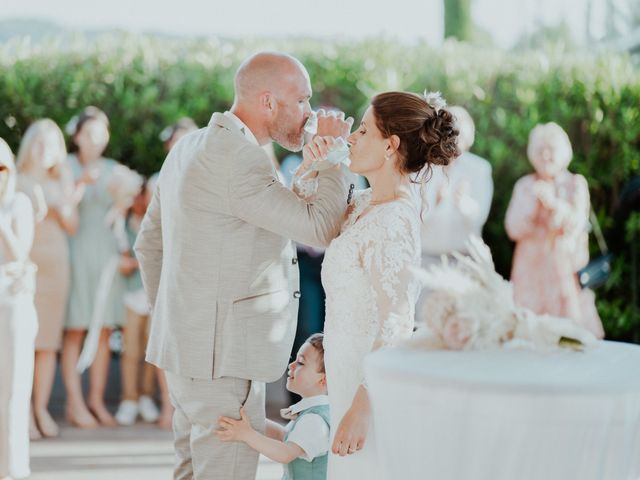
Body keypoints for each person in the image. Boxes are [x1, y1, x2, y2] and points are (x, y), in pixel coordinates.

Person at [134, 51, 352, 480]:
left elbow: (148, 246)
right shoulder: (238, 157)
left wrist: (176, 318)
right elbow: (321, 226)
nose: (310, 114)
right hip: (223, 360)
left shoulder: (190, 144)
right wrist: (336, 155)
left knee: (192, 471)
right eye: (303, 101)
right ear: (268, 102)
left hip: (185, 353)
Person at [297, 91, 459, 479]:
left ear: (391, 145)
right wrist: (315, 163)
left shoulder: (395, 220)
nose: (352, 137)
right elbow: (303, 217)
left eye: (364, 130)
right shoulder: (364, 204)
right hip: (343, 372)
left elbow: (397, 323)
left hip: (367, 390)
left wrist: (362, 407)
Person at [505, 122, 604, 339]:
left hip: (565, 275)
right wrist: (533, 207)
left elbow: (576, 224)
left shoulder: (576, 184)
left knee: (571, 340)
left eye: (551, 149)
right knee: (528, 338)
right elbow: (512, 228)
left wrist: (553, 204)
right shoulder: (524, 185)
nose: (546, 155)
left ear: (563, 152)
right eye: (540, 150)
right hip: (530, 276)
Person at [62, 106, 127, 428]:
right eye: (89, 132)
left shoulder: (114, 169)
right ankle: (74, 403)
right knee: (74, 330)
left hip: (105, 256)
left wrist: (123, 199)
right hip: (74, 252)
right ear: (77, 136)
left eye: (101, 133)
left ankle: (96, 401)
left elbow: (122, 213)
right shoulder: (65, 166)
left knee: (103, 331)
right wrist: (79, 184)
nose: (95, 139)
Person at [15, 119, 79, 439]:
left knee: (48, 344)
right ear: (29, 145)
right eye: (39, 142)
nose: (44, 149)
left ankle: (40, 408)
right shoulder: (15, 180)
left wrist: (63, 200)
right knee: (22, 341)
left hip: (57, 269)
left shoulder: (60, 182)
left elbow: (72, 226)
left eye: (52, 144)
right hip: (24, 268)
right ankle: (22, 411)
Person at [217, 333, 330, 480]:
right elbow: (284, 436)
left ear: (323, 380)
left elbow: (285, 453)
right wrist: (256, 421)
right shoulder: (312, 413)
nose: (291, 365)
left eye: (301, 363)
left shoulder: (314, 420)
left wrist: (247, 435)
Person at [0, 138, 37, 480]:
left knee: (12, 388)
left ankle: (12, 467)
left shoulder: (18, 203)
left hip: (11, 303)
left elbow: (19, 255)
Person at [418, 105, 493, 268]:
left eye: (461, 137)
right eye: (450, 135)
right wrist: (435, 200)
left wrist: (462, 202)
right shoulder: (423, 167)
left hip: (464, 261)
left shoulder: (480, 168)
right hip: (425, 259)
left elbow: (480, 217)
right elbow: (414, 216)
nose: (455, 143)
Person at [114, 180, 162, 426]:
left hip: (152, 295)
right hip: (131, 296)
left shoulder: (153, 221)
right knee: (130, 350)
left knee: (150, 351)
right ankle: (129, 398)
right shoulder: (121, 224)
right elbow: (121, 258)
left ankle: (145, 395)